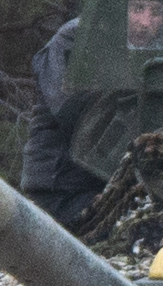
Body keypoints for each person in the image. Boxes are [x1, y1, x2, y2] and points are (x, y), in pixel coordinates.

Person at [19, 16, 104, 231]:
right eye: (138, 8)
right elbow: (77, 115)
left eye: (156, 12)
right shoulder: (77, 37)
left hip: (111, 190)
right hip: (63, 191)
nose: (146, 21)